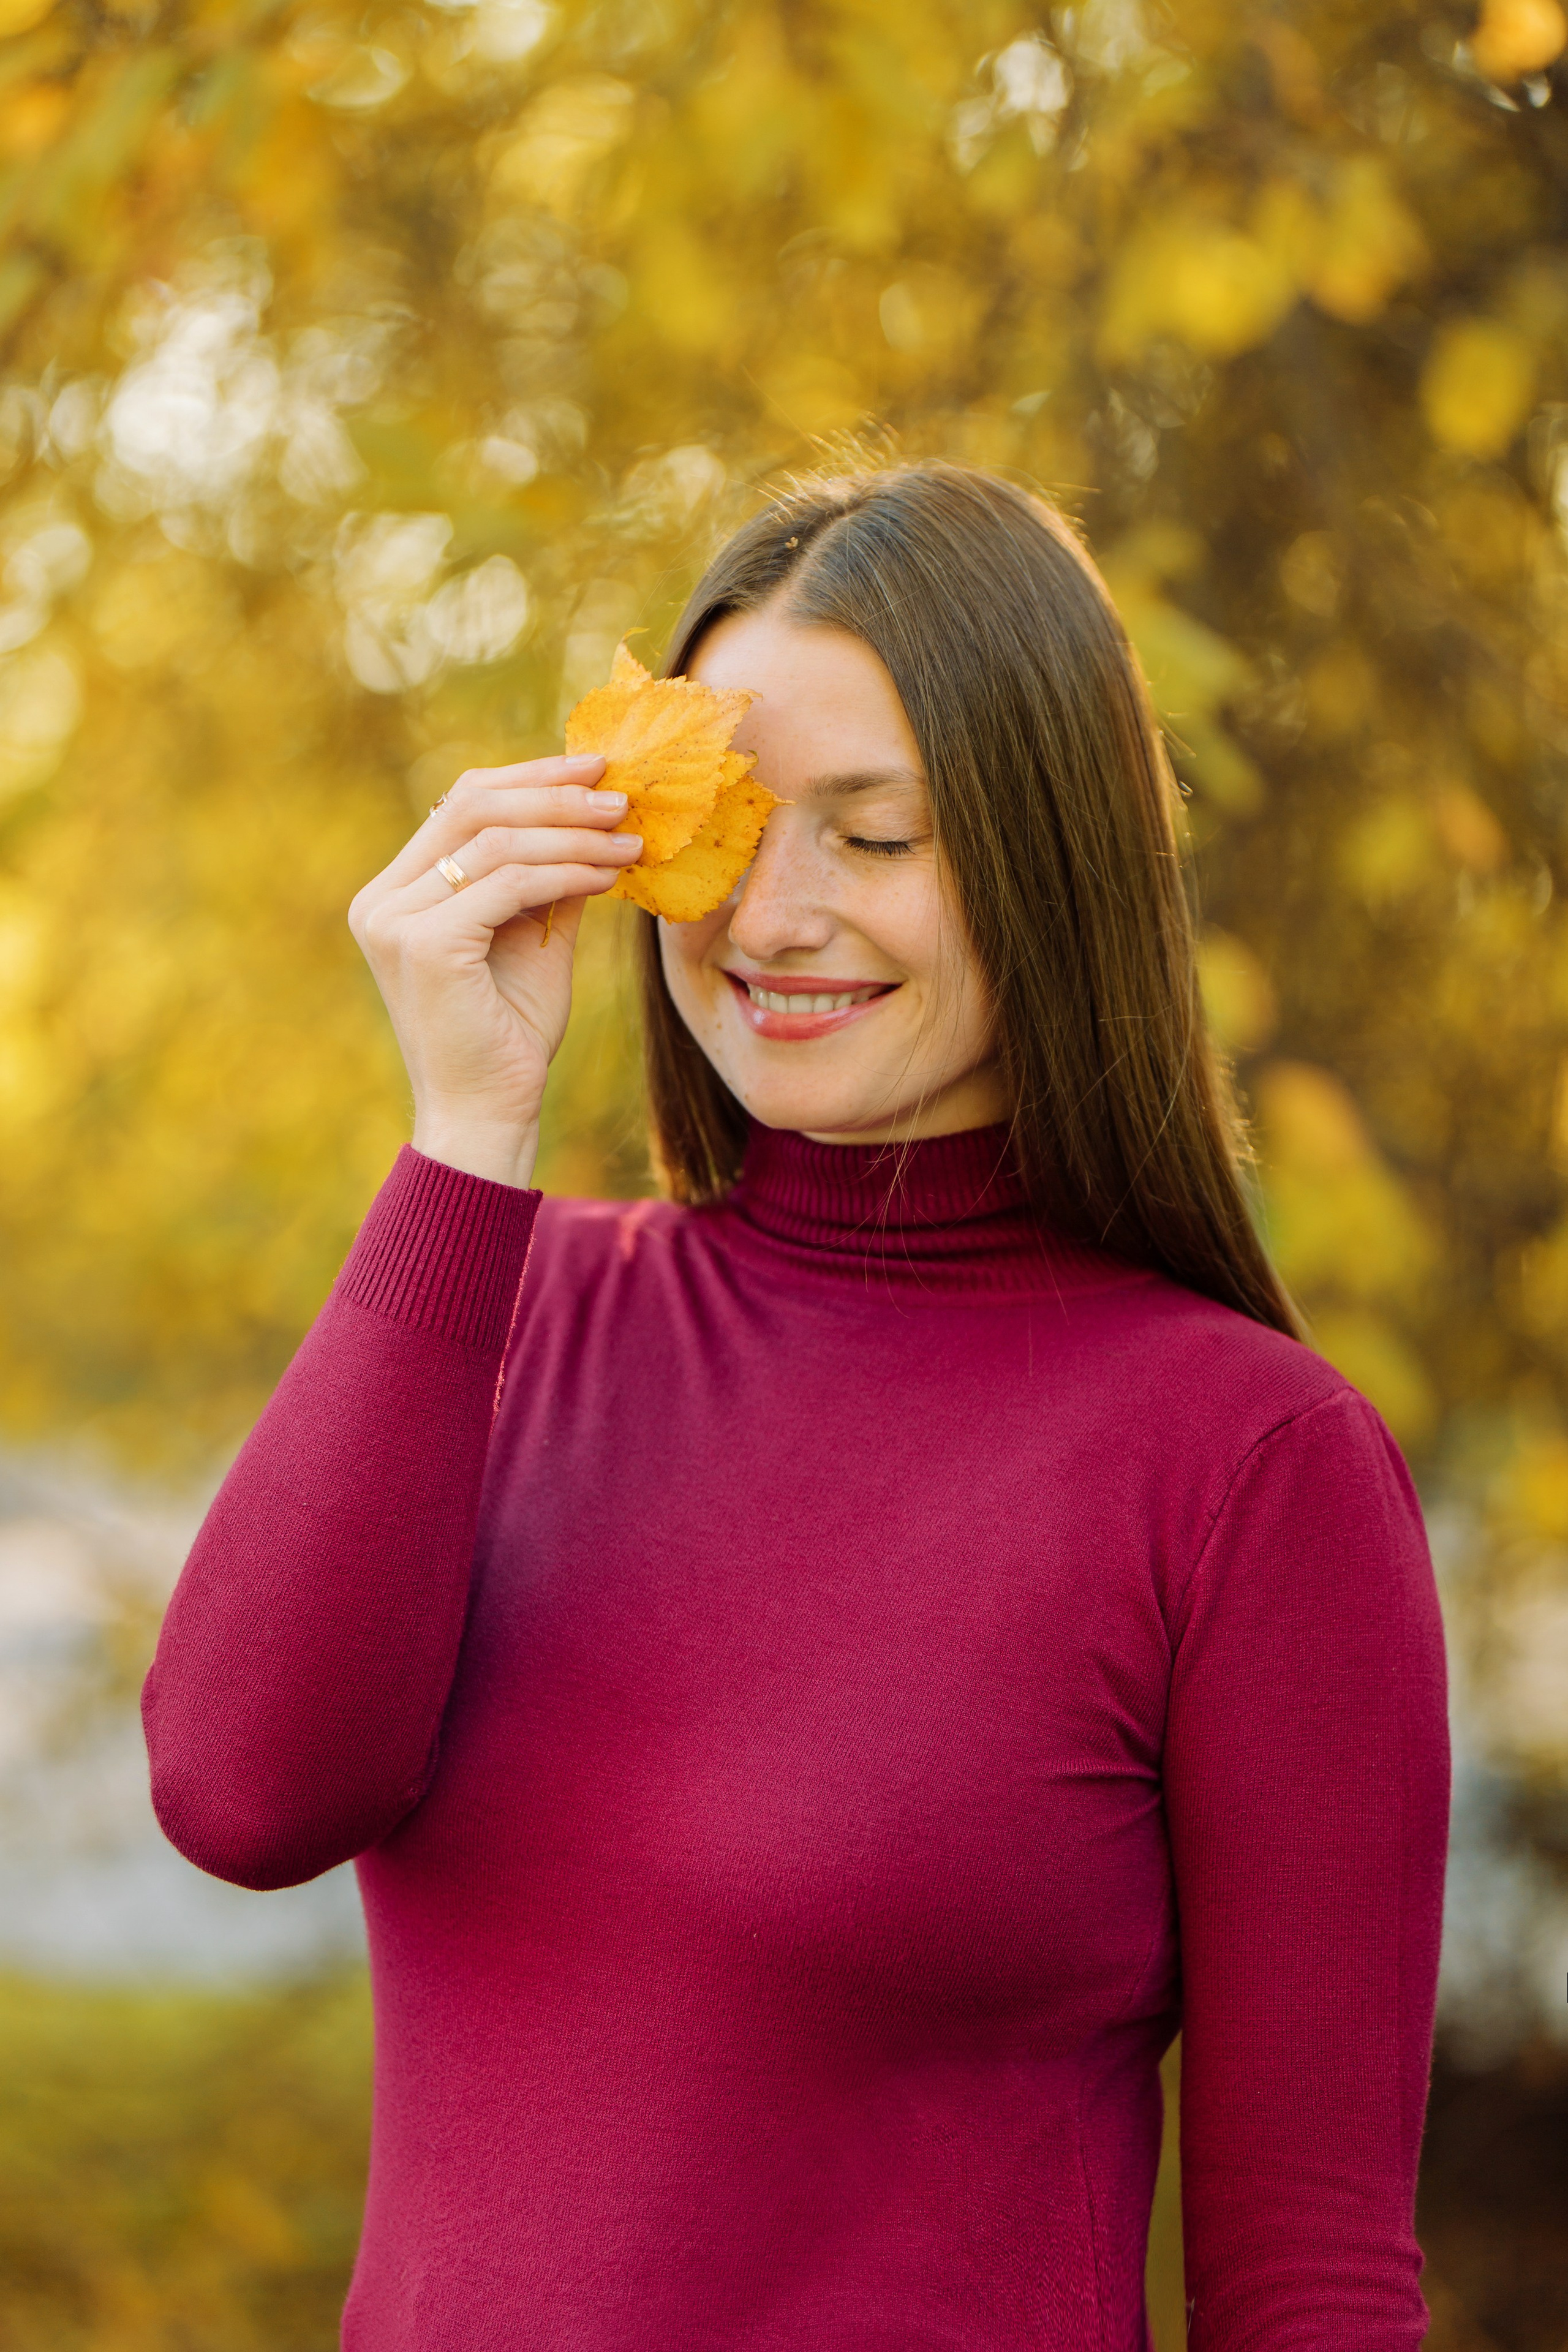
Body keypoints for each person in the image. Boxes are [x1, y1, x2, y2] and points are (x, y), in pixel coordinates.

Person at [143, 462, 1449, 2351]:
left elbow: (1312, 2274)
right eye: (730, 823)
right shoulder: (507, 1313)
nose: (773, 913)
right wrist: (467, 1137)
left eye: (879, 835)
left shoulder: (1249, 1466)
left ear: (1052, 862)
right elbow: (242, 1796)